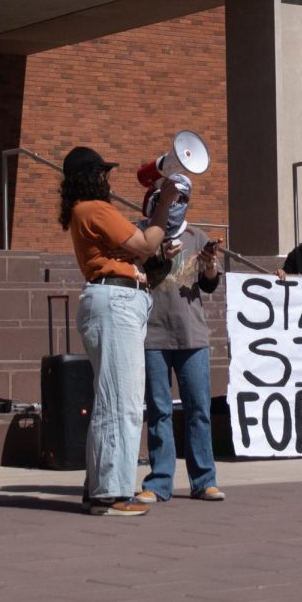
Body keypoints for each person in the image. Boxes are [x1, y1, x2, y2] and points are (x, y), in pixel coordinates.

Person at [60, 146, 179, 517]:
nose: (106, 179)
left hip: (112, 300)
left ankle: (98, 488)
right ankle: (110, 493)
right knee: (121, 403)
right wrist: (166, 203)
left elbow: (140, 252)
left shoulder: (84, 211)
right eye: (101, 173)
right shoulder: (95, 209)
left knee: (112, 401)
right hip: (115, 302)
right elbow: (144, 243)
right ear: (88, 177)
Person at [133, 174, 226, 504]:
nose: (176, 205)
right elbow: (136, 271)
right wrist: (159, 255)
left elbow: (210, 284)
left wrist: (210, 267)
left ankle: (204, 479)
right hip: (153, 333)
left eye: (183, 200)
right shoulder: (143, 233)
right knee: (159, 410)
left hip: (192, 335)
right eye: (172, 198)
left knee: (198, 408)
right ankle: (159, 481)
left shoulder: (196, 235)